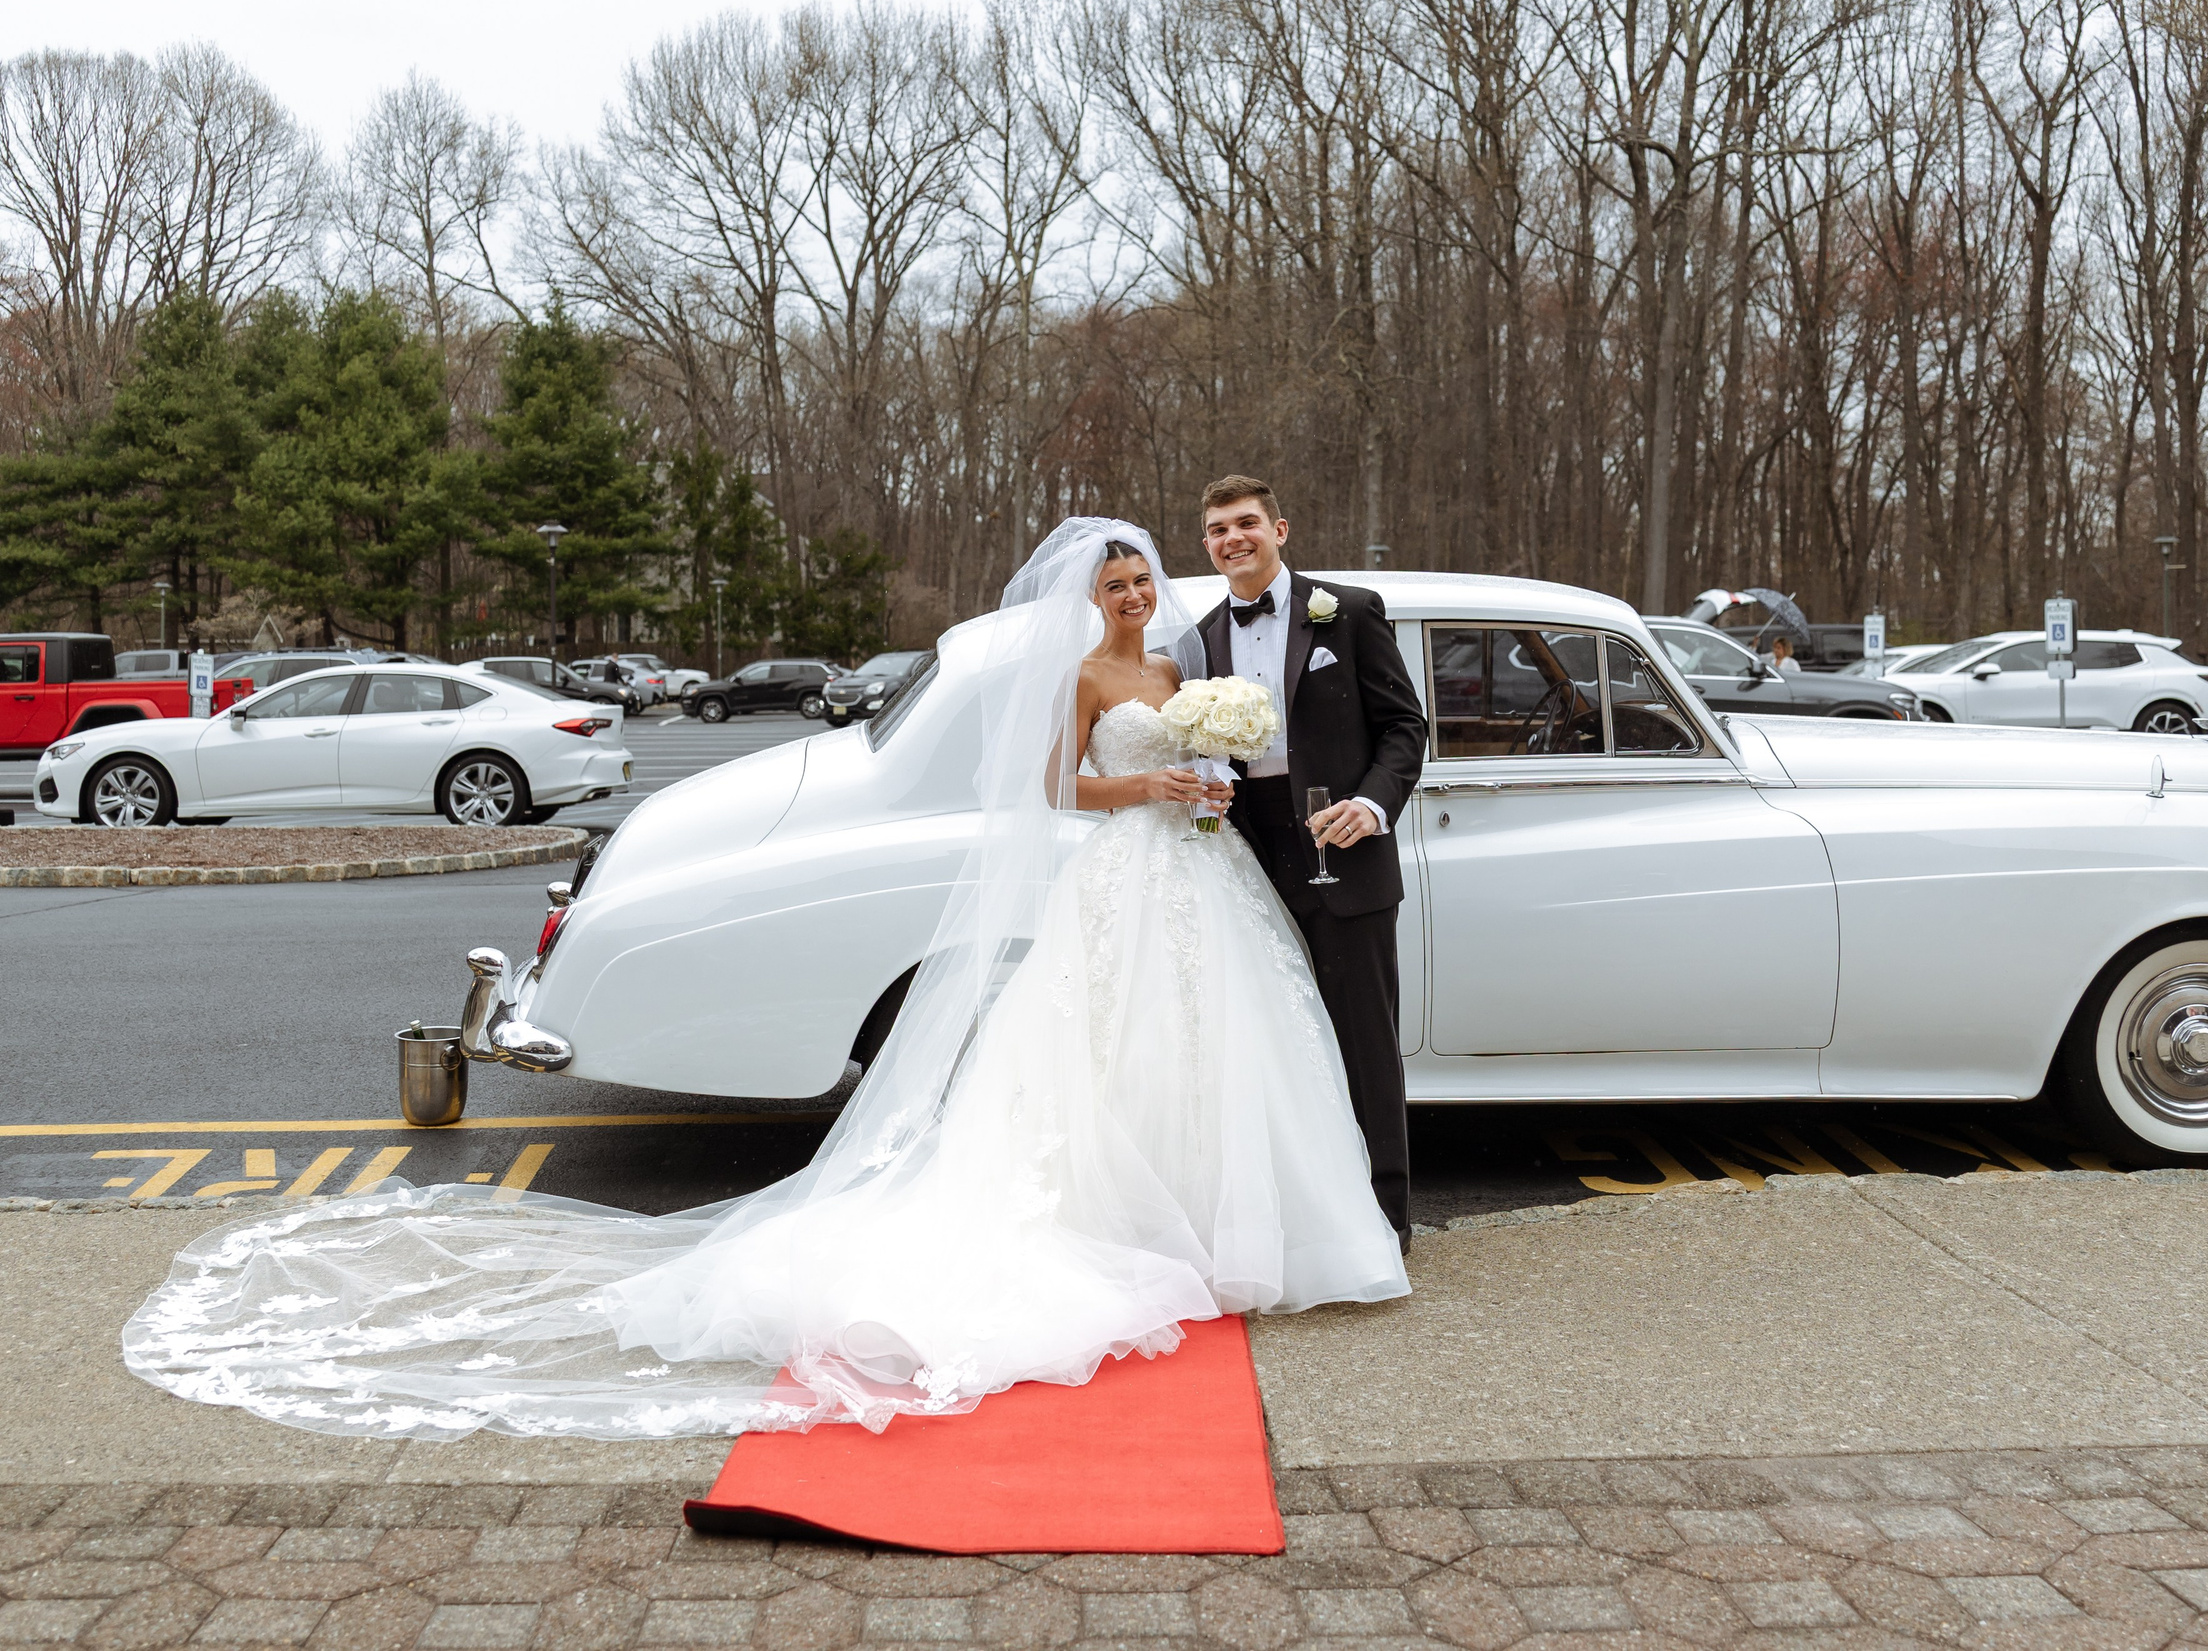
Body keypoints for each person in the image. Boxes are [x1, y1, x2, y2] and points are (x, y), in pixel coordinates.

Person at [123, 519, 1407, 1440]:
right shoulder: (1081, 674)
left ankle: (1219, 1213)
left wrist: (1208, 781)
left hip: (1200, 874)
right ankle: (1132, 1221)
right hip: (1129, 866)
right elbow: (1057, 785)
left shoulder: (1191, 673)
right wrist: (1158, 782)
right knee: (1103, 1049)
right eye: (1118, 582)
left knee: (1212, 1047)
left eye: (1142, 582)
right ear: (1097, 596)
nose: (1134, 597)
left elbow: (1266, 754)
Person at [1196, 476, 1428, 1246]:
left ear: (1280, 528)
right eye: (1219, 529)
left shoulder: (1347, 611)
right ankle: (1304, 1226)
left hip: (1345, 846)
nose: (1234, 538)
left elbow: (1403, 727)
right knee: (1278, 1046)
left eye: (1247, 523)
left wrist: (1371, 805)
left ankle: (1384, 1224)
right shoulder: (1201, 638)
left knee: (1364, 1040)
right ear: (1207, 544)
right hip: (1252, 859)